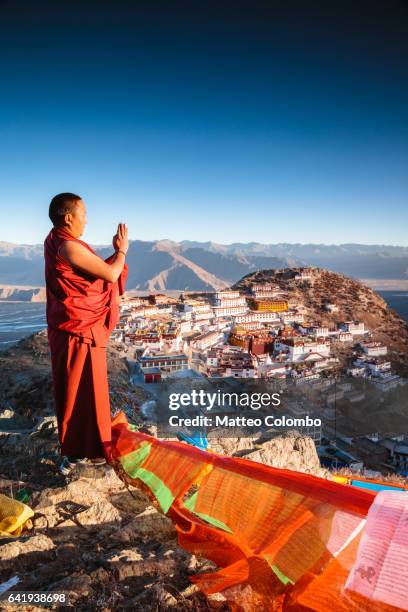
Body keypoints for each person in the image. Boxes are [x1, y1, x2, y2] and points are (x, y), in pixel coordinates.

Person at [44, 193, 128, 474]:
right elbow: (110, 275)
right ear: (68, 217)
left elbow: (83, 278)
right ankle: (86, 449)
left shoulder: (54, 240)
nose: (86, 221)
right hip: (79, 329)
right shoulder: (67, 246)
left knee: (78, 390)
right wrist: (122, 251)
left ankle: (80, 447)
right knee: (81, 391)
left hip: (72, 327)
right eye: (84, 214)